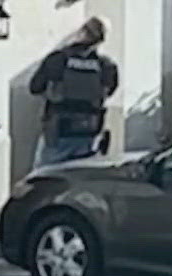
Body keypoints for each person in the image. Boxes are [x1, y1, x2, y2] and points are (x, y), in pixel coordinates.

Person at [29, 17, 120, 168]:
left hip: (58, 131)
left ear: (81, 32)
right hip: (89, 133)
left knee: (45, 178)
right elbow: (109, 92)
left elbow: (35, 87)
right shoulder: (107, 66)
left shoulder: (58, 59)